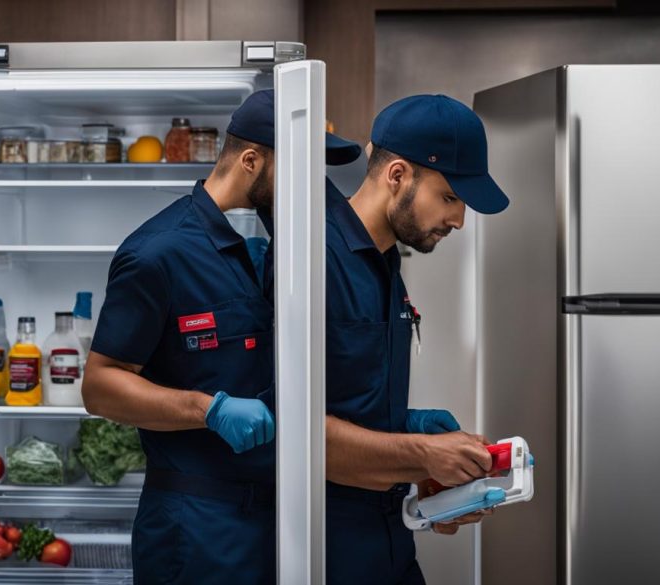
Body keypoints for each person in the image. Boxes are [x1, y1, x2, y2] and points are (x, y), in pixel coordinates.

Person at [82, 89, 360, 585]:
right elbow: (100, 386)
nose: (312, 187)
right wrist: (207, 410)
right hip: (195, 526)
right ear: (251, 160)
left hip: (274, 518)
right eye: (299, 169)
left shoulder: (277, 249)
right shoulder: (158, 253)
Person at [322, 94, 510, 584]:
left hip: (389, 547)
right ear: (397, 175)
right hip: (326, 551)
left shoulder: (386, 264)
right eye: (450, 198)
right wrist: (422, 454)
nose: (459, 220)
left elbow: (350, 405)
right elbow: (297, 433)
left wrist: (426, 481)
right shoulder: (317, 260)